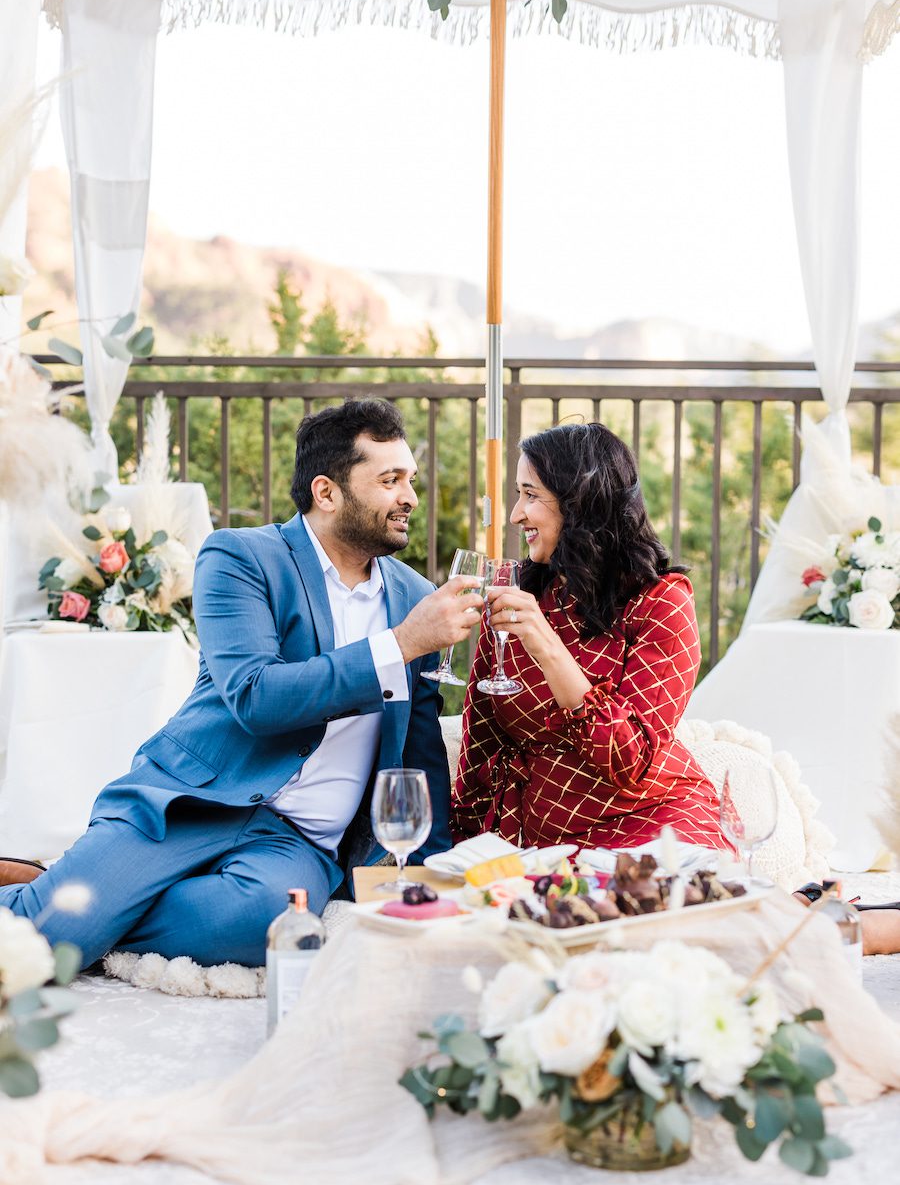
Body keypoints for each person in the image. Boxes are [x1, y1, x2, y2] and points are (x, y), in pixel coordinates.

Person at [0, 398, 483, 968]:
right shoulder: (240, 557)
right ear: (326, 492)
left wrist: (429, 876)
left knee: (270, 926)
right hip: (192, 801)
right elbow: (256, 697)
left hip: (298, 840)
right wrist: (400, 644)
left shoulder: (412, 596)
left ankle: (92, 902)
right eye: (389, 480)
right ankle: (67, 904)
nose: (409, 497)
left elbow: (419, 748)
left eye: (410, 480)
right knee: (51, 941)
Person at [452, 422, 732, 854]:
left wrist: (546, 646)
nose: (515, 514)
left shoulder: (662, 602)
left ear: (579, 504)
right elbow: (482, 742)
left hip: (650, 820)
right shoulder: (521, 597)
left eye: (530, 495)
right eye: (517, 494)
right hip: (544, 836)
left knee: (659, 904)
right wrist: (453, 847)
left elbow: (630, 760)